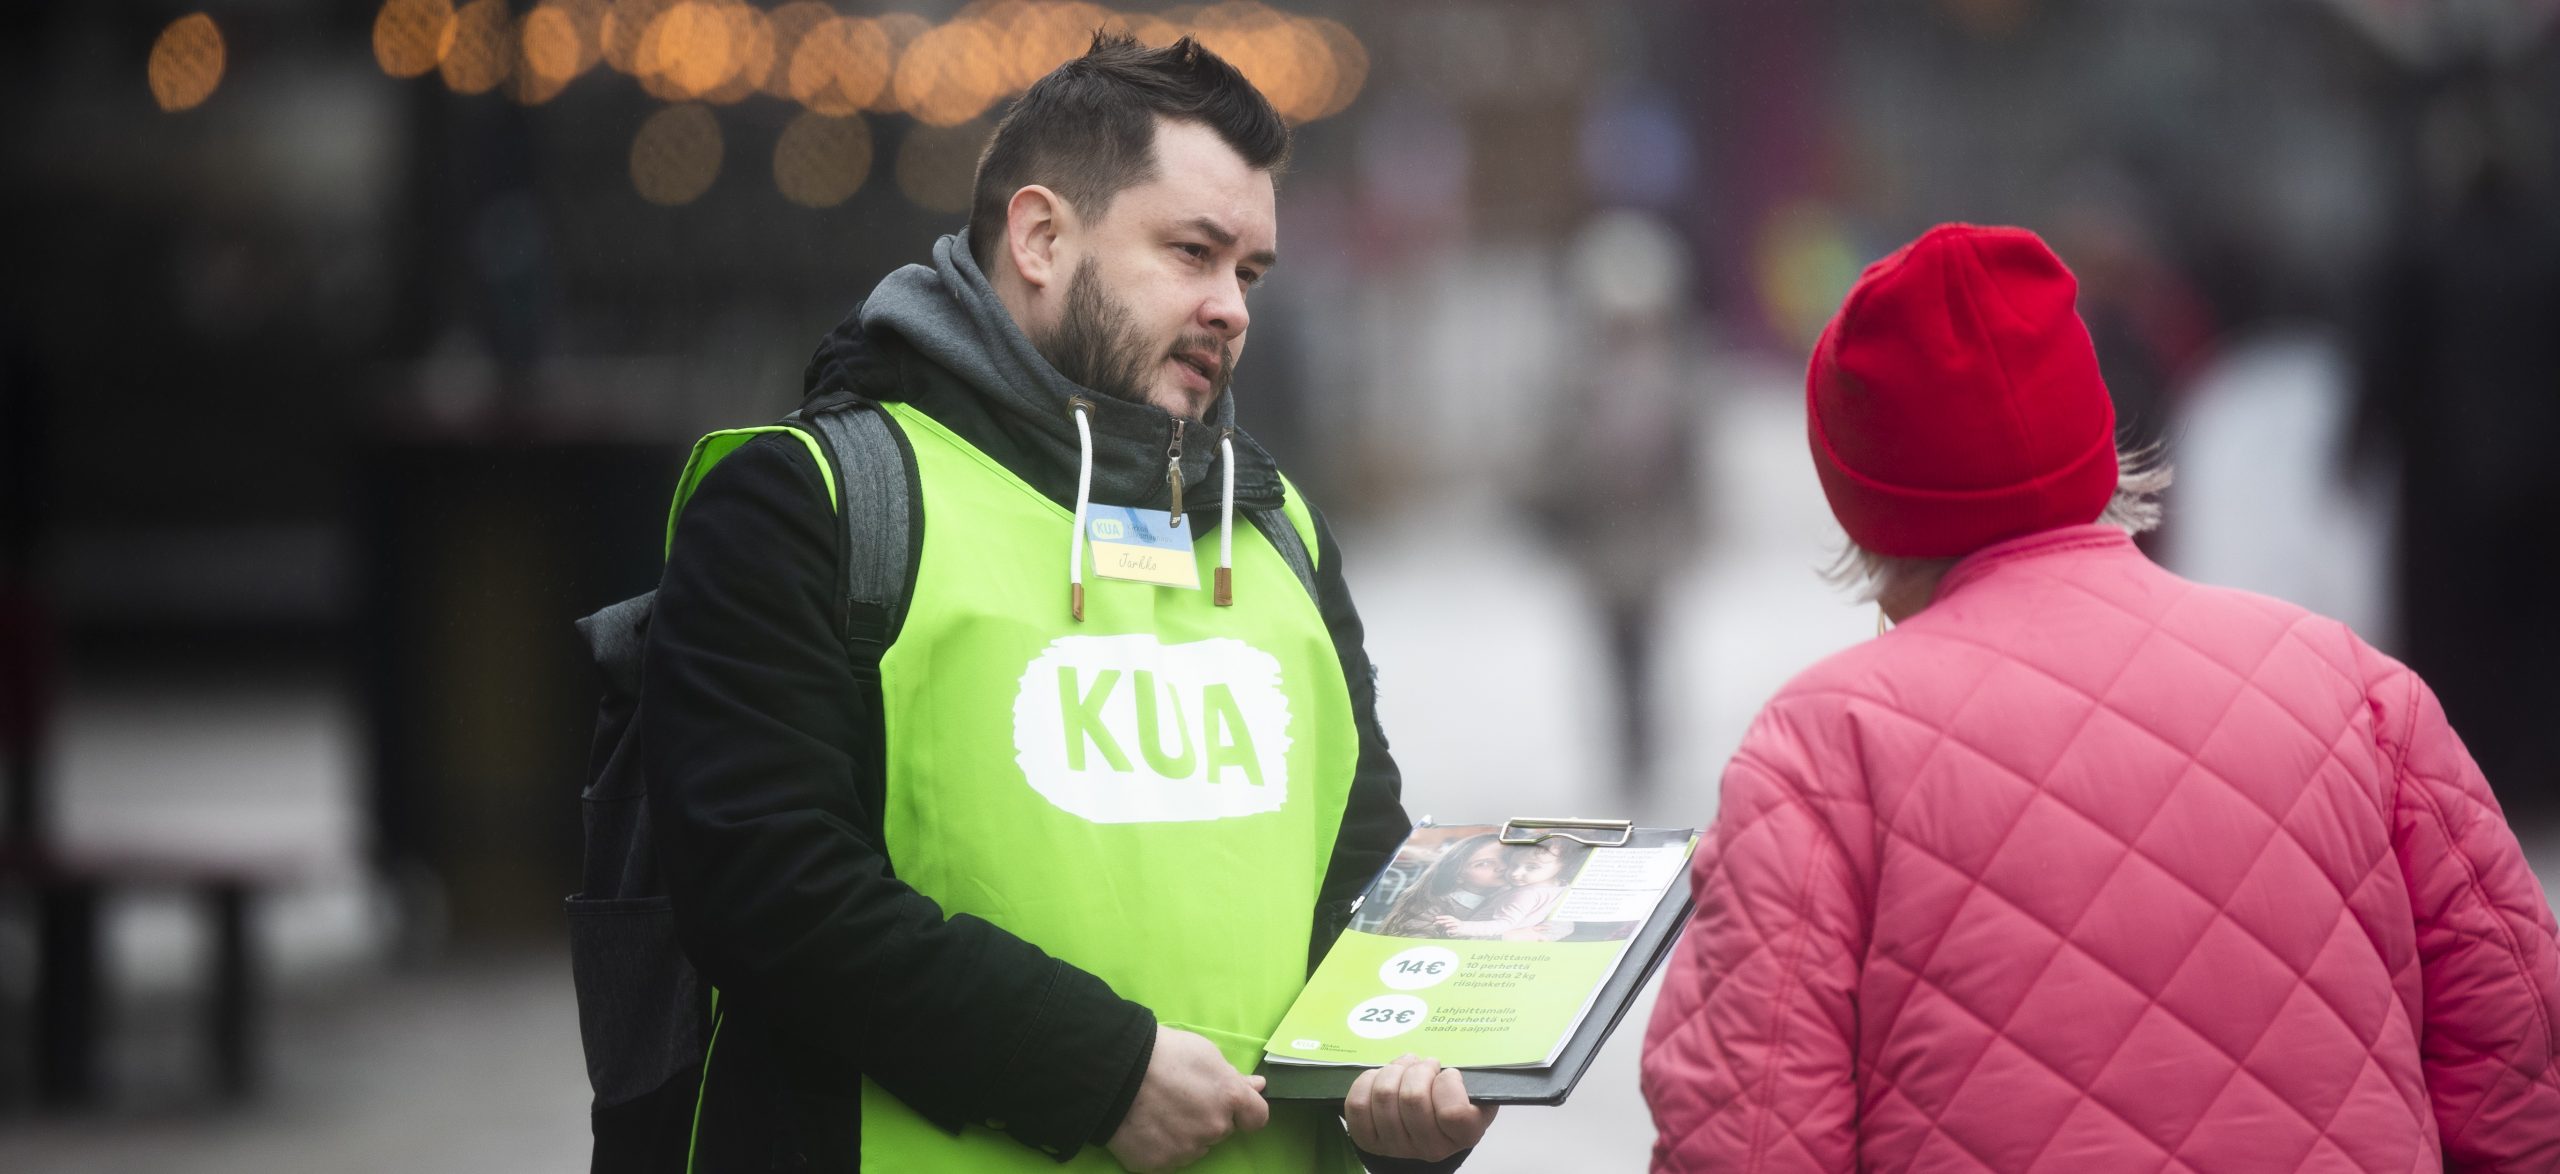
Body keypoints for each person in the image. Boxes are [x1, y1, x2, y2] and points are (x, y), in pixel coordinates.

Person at [642, 36, 1491, 1174]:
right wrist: (1098, 1072)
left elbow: (1362, 885)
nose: (1229, 306)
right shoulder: (812, 501)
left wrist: (1412, 1086)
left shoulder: (1277, 529)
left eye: (1248, 273)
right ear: (1040, 237)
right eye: (1192, 252)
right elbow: (768, 892)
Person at [1640, 223, 2560, 1171]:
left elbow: (1745, 1140)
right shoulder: (2351, 686)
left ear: (1864, 502)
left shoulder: (1823, 748)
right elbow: (2522, 1064)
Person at [1374, 834, 1509, 938]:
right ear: (1458, 875)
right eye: (1484, 864)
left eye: (1505, 858)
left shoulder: (1513, 896)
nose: (1502, 867)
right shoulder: (1433, 907)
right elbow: (1415, 942)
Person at [1434, 840, 1574, 940]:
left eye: (1532, 867)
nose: (1515, 873)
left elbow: (1502, 925)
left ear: (1562, 866)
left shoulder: (1526, 893)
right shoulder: (1560, 887)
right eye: (1513, 865)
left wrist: (1462, 927)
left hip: (1478, 938)